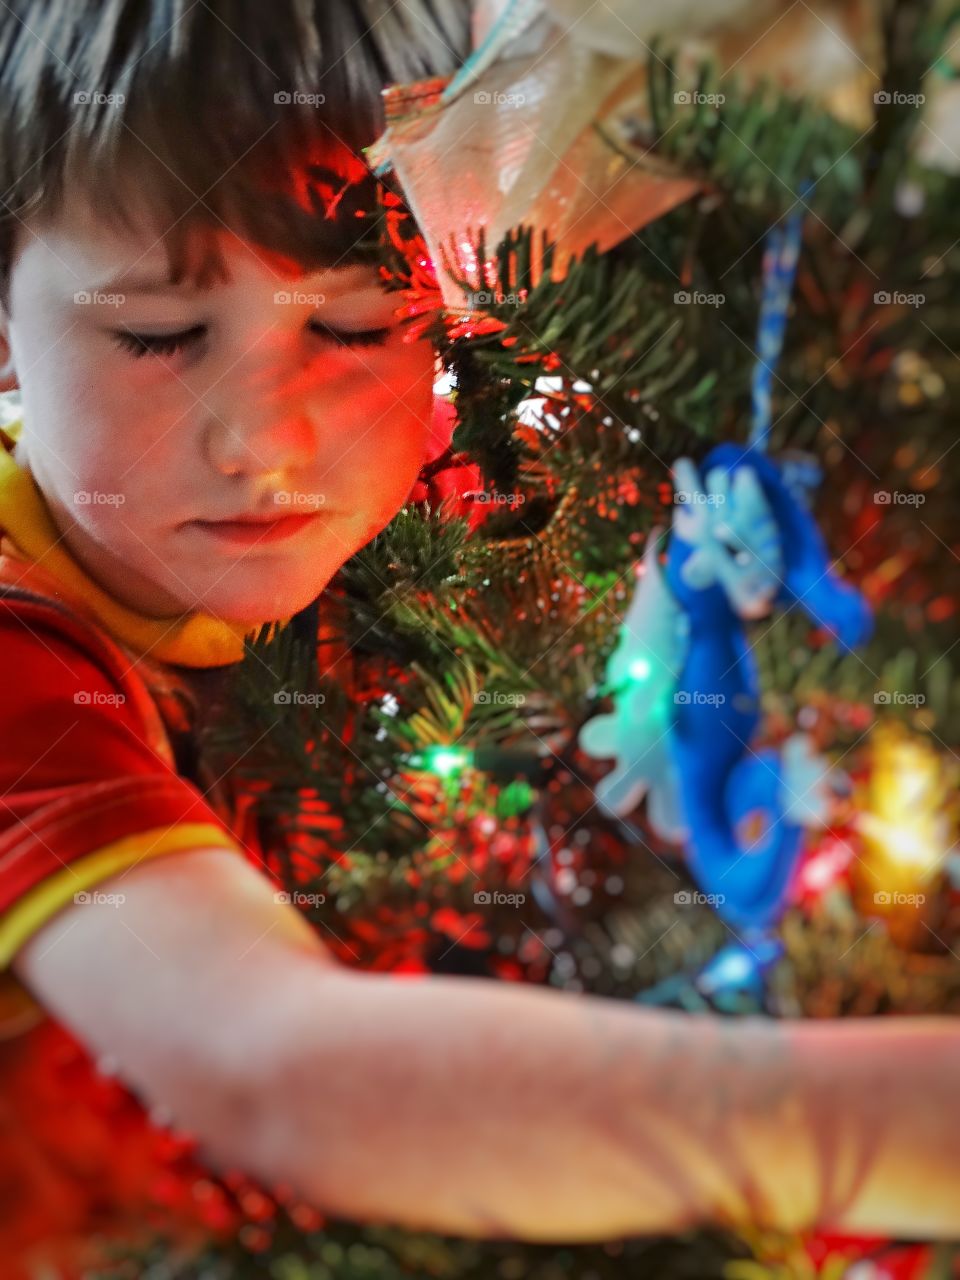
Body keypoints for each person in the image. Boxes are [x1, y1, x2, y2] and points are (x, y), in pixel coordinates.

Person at [0, 0, 957, 1246]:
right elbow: (271, 1068)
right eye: (160, 337)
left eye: (353, 328)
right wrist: (874, 1128)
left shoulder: (451, 492)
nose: (264, 444)